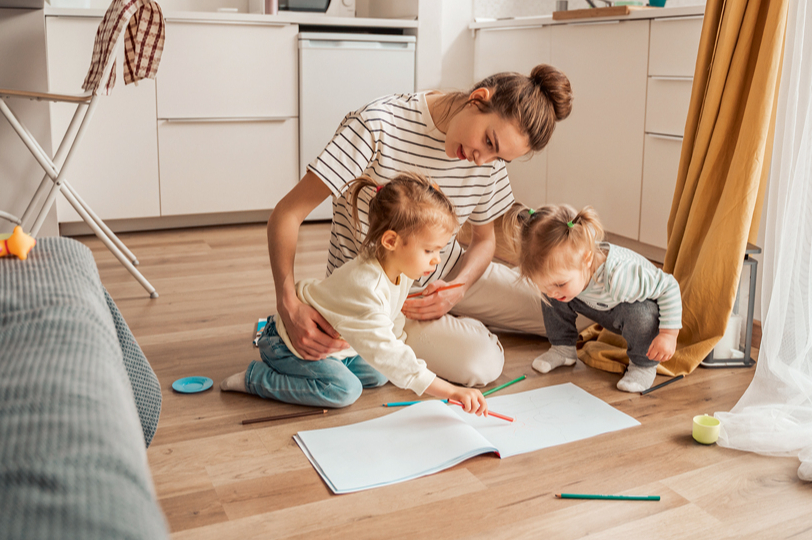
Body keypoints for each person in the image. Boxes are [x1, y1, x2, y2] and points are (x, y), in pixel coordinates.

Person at [266, 65, 574, 387]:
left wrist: (457, 290)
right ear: (478, 99)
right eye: (488, 141)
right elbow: (287, 214)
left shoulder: (486, 161)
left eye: (498, 157)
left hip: (447, 272)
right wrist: (287, 301)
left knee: (567, 307)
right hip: (384, 296)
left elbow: (484, 242)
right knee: (482, 364)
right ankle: (448, 331)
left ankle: (456, 318)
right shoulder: (377, 125)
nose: (482, 160)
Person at [221, 172, 489, 415]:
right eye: (430, 250)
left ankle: (330, 370)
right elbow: (391, 355)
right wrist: (452, 391)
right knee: (345, 390)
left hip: (336, 347)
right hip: (289, 345)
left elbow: (390, 327)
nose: (436, 260)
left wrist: (404, 360)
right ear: (391, 241)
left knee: (379, 374)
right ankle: (256, 378)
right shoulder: (366, 287)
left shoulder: (400, 267)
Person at [502, 203, 682, 392]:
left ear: (587, 260)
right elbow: (554, 289)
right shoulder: (568, 276)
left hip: (631, 309)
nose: (552, 291)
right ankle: (563, 348)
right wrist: (554, 288)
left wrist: (668, 334)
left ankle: (643, 366)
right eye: (544, 284)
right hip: (600, 304)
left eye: (560, 283)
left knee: (641, 315)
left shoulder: (621, 276)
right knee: (555, 298)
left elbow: (669, 286)